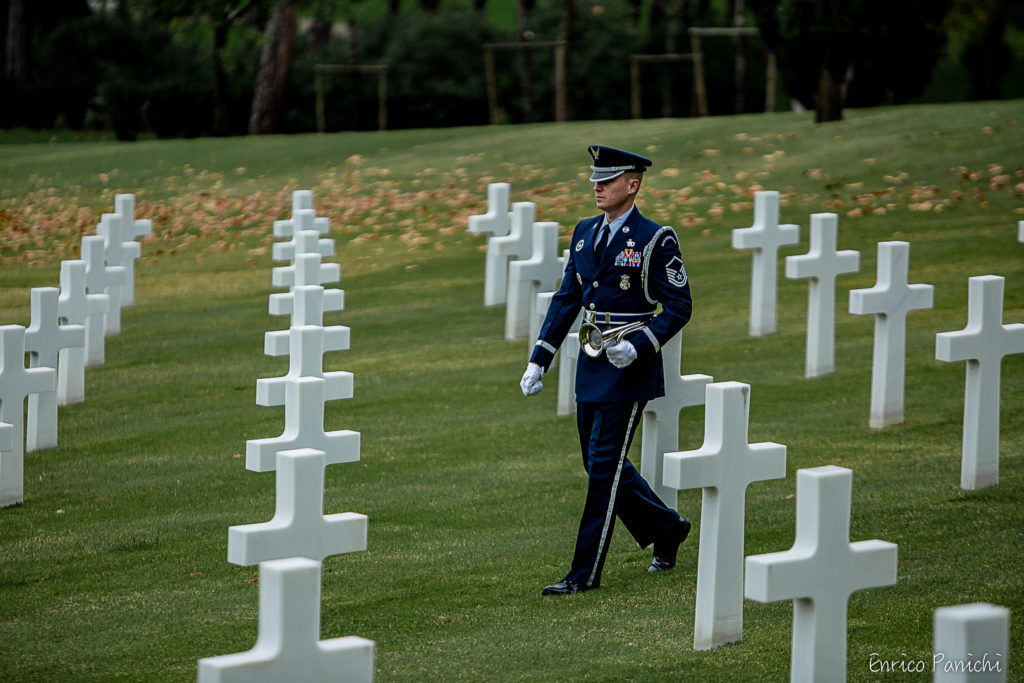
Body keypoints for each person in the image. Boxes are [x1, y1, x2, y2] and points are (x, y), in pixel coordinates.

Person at [520, 145, 693, 596]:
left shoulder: (656, 239)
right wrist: (540, 357)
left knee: (603, 469)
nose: (597, 186)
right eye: (595, 178)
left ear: (632, 184)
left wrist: (639, 346)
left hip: (628, 369)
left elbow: (678, 306)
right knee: (602, 464)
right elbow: (566, 299)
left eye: (608, 179)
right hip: (591, 364)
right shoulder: (583, 233)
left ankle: (582, 574)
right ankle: (667, 527)